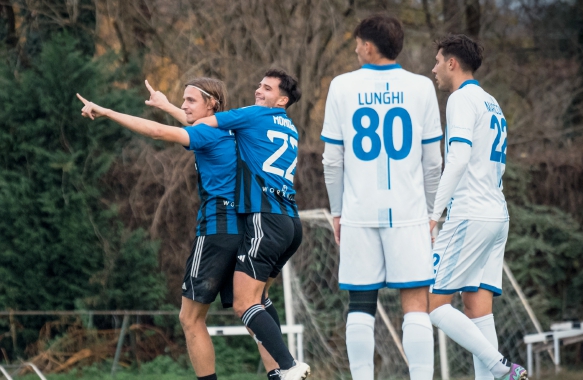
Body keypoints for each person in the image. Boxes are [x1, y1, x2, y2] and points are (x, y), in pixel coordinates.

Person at [77, 77, 277, 380]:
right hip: (246, 229)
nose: (184, 105)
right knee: (252, 310)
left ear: (212, 104)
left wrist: (106, 111)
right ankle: (282, 373)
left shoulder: (205, 134)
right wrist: (166, 105)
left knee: (190, 318)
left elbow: (158, 131)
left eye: (190, 100)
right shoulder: (234, 129)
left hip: (216, 231)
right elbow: (191, 122)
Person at [152, 69, 310, 380]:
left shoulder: (253, 115)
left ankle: (289, 367)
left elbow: (202, 126)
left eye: (266, 88)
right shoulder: (289, 128)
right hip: (291, 222)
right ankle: (279, 373)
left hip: (263, 220)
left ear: (281, 99)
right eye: (258, 84)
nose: (257, 91)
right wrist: (169, 104)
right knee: (260, 299)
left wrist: (166, 109)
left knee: (243, 303)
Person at [321, 14, 443, 380]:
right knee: (416, 304)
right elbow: (433, 161)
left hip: (359, 211)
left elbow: (332, 160)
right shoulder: (422, 87)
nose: (356, 47)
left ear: (369, 46)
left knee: (360, 302)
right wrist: (432, 212)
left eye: (358, 41)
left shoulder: (341, 86)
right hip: (408, 213)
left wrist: (338, 211)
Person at [428, 34, 528, 380]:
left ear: (452, 63)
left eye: (438, 61)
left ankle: (502, 367)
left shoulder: (461, 99)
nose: (434, 68)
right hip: (496, 215)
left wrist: (433, 214)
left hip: (470, 214)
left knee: (434, 305)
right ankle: (500, 371)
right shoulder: (491, 102)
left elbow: (457, 159)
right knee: (477, 310)